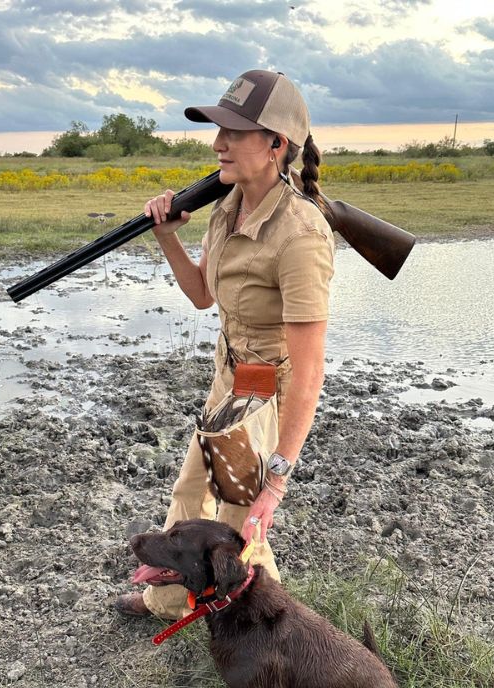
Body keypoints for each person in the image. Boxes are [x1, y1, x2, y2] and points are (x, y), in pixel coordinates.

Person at [116, 69, 335, 619]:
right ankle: (168, 598)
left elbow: (309, 374)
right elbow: (200, 295)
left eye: (234, 134)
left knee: (244, 521)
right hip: (230, 382)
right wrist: (167, 236)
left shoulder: (301, 236)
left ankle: (269, 626)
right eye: (219, 131)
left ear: (276, 146)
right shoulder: (226, 209)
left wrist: (276, 482)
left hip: (266, 397)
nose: (218, 144)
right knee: (191, 493)